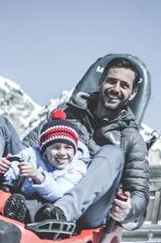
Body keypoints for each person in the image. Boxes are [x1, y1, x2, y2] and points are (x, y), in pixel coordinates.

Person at [32, 56, 150, 230]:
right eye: (111, 81)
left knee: (113, 152)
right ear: (100, 82)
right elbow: (30, 144)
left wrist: (129, 208)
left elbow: (140, 194)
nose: (116, 89)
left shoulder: (130, 138)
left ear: (132, 93)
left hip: (87, 212)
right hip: (47, 186)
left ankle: (61, 213)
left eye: (124, 85)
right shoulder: (68, 112)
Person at [0, 109, 90, 223]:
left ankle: (19, 212)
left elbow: (60, 192)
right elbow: (13, 170)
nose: (62, 153)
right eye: (56, 148)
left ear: (75, 149)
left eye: (67, 148)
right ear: (45, 150)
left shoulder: (76, 168)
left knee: (36, 204)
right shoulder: (32, 153)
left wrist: (39, 177)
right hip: (18, 192)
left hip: (45, 200)